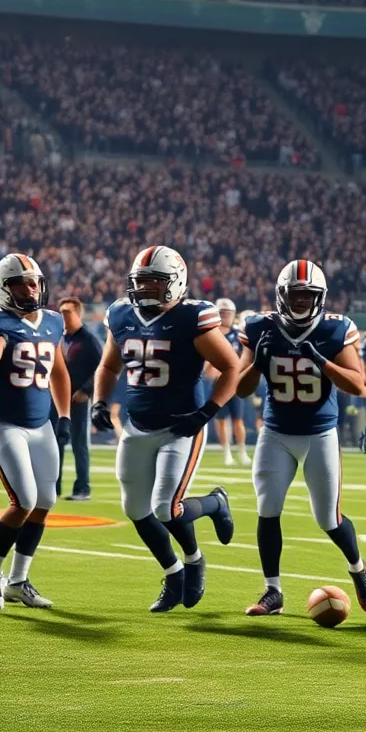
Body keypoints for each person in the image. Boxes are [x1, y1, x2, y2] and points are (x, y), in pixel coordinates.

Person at [91, 245, 238, 613]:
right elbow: (108, 368)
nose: (145, 290)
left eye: (155, 282)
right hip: (137, 426)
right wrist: (99, 402)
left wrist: (207, 412)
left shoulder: (193, 318)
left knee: (164, 506)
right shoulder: (121, 314)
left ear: (176, 284)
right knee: (136, 508)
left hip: (181, 428)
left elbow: (232, 367)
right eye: (140, 282)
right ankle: (174, 574)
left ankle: (211, 512)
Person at [236, 260, 366, 617]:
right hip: (276, 432)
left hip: (320, 433)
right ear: (282, 295)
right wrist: (256, 364)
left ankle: (359, 569)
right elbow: (240, 388)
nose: (300, 301)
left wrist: (322, 362)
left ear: (320, 297)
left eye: (307, 295)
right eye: (295, 294)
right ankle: (273, 591)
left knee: (328, 517)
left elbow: (358, 385)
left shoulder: (335, 329)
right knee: (268, 509)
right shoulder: (258, 327)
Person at [0, 254, 72, 610]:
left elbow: (59, 371)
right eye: (21, 282)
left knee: (45, 502)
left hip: (41, 425)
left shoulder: (53, 321)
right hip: (4, 423)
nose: (31, 288)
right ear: (3, 288)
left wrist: (65, 414)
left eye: (34, 281)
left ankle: (18, 580)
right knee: (22, 500)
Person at [55, 296, 102, 501]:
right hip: (58, 400)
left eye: (68, 312)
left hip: (77, 400)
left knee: (79, 444)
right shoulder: (60, 338)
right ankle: (52, 487)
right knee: (54, 444)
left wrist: (86, 390)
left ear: (79, 314)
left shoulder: (89, 340)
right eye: (62, 312)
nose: (64, 316)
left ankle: (83, 488)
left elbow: (102, 369)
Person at [210, 299, 250, 466]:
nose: (225, 316)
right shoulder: (211, 333)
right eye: (222, 313)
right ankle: (226, 451)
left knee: (237, 418)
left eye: (228, 313)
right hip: (217, 382)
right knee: (220, 419)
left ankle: (242, 450)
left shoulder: (238, 334)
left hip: (234, 383)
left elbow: (245, 358)